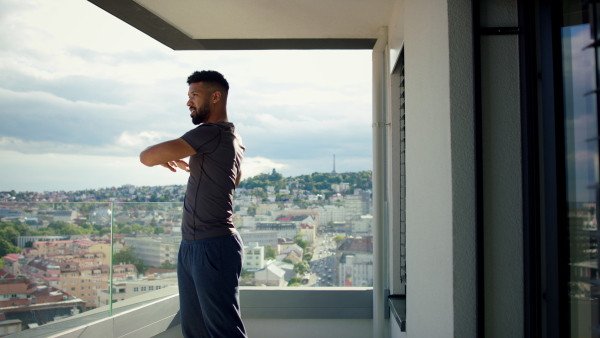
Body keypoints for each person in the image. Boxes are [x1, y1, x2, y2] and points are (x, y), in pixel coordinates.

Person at [140, 70, 247, 337]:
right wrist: (197, 167)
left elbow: (146, 157)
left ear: (216, 96)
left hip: (212, 245)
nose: (189, 102)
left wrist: (167, 157)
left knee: (223, 332)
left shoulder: (210, 132)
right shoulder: (232, 137)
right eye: (188, 96)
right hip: (195, 244)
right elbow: (233, 179)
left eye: (194, 95)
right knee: (196, 331)